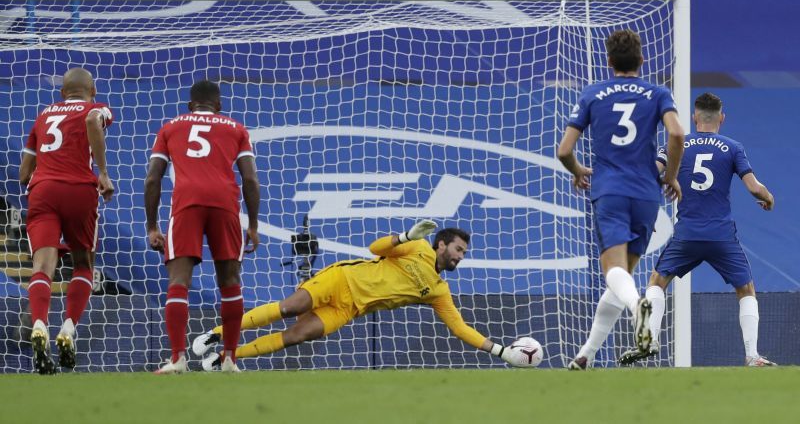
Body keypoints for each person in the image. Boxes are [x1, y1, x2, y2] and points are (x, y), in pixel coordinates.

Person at [191, 220, 531, 370]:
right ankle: (216, 334)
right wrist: (405, 234)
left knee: (297, 335)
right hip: (342, 279)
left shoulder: (439, 291)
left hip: (349, 309)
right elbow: (375, 247)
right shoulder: (415, 247)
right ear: (440, 244)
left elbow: (460, 329)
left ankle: (228, 358)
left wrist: (501, 352)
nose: (460, 256)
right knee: (290, 308)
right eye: (458, 249)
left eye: (464, 253)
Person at [556, 29, 685, 370]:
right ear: (642, 60)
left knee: (613, 272)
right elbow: (675, 133)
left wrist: (579, 169)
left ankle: (637, 307)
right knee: (622, 276)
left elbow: (564, 150)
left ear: (609, 61)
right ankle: (587, 354)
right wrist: (670, 175)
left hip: (610, 189)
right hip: (646, 193)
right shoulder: (658, 92)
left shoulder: (593, 93)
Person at [619, 92, 776, 367]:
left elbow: (649, 174)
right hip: (721, 236)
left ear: (694, 117)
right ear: (722, 118)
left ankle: (651, 338)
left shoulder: (676, 144)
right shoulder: (732, 147)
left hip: (687, 234)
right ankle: (752, 355)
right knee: (746, 289)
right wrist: (768, 197)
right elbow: (753, 187)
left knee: (657, 281)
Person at [144, 80, 261, 374]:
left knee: (178, 280)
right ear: (218, 106)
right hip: (224, 204)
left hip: (187, 204)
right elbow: (250, 179)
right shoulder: (236, 129)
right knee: (230, 281)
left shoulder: (170, 127)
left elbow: (152, 179)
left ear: (189, 106)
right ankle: (230, 359)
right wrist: (254, 224)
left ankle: (177, 359)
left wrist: (152, 226)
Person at [19, 67, 115, 374]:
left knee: (42, 266)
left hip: (43, 190)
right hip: (78, 189)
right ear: (93, 91)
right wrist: (102, 171)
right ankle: (69, 328)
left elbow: (24, 173)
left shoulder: (44, 114)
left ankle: (38, 324)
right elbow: (91, 121)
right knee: (84, 264)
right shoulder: (96, 109)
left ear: (63, 93)